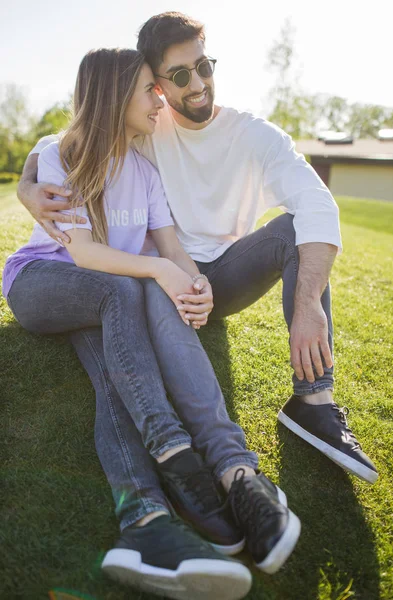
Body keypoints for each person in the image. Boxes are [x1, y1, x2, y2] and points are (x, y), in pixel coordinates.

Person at [3, 47, 303, 600]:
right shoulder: (61, 154)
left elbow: (171, 250)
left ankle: (172, 510)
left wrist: (195, 284)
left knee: (117, 358)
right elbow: (89, 256)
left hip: (103, 300)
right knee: (128, 286)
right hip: (43, 284)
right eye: (149, 88)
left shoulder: (144, 170)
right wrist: (163, 269)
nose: (159, 97)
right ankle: (173, 451)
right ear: (116, 96)